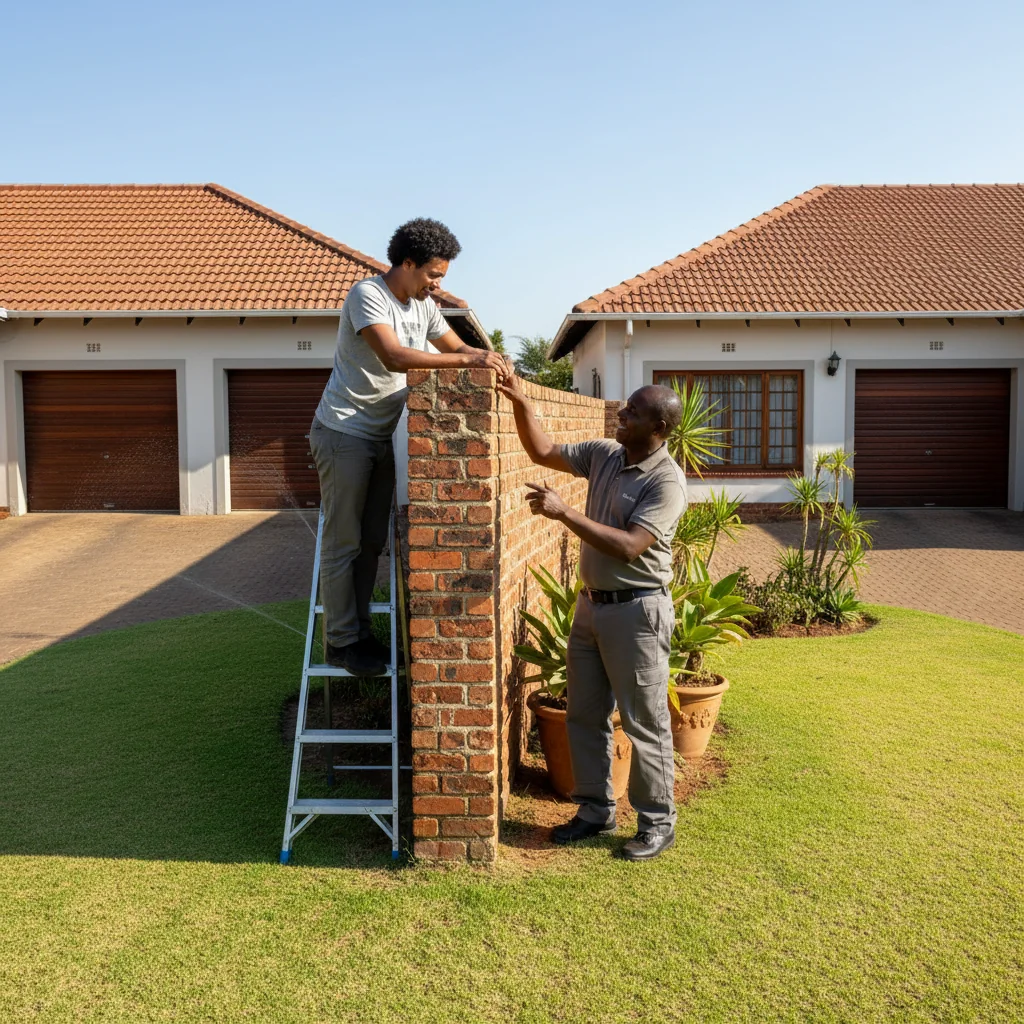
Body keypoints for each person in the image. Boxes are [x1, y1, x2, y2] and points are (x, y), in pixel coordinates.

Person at [497, 374, 686, 861]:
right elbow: (543, 451)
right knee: (584, 713)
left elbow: (629, 547)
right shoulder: (605, 453)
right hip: (591, 608)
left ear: (659, 427)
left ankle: (657, 822)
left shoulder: (667, 482)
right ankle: (595, 809)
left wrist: (563, 513)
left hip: (637, 612)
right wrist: (522, 402)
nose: (620, 416)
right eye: (623, 409)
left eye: (633, 413)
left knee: (645, 722)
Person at [311, 218, 511, 676]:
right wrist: (466, 357)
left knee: (371, 542)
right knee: (344, 541)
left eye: (441, 277)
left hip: (380, 434)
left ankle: (358, 635)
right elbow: (395, 356)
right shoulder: (368, 296)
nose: (437, 285)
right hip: (343, 432)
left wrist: (487, 359)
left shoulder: (424, 306)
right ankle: (342, 642)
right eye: (432, 275)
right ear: (406, 264)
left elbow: (457, 347)